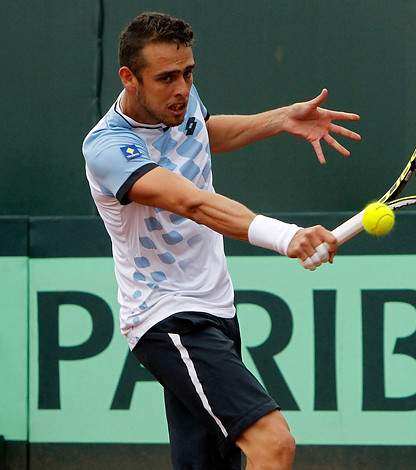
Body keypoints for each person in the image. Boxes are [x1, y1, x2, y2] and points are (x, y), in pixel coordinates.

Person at [82, 11, 360, 470]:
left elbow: (201, 135)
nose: (182, 89)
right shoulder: (107, 148)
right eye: (167, 77)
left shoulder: (180, 103)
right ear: (128, 79)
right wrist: (285, 236)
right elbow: (193, 203)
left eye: (188, 73)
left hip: (216, 309)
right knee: (273, 444)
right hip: (167, 315)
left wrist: (280, 119)